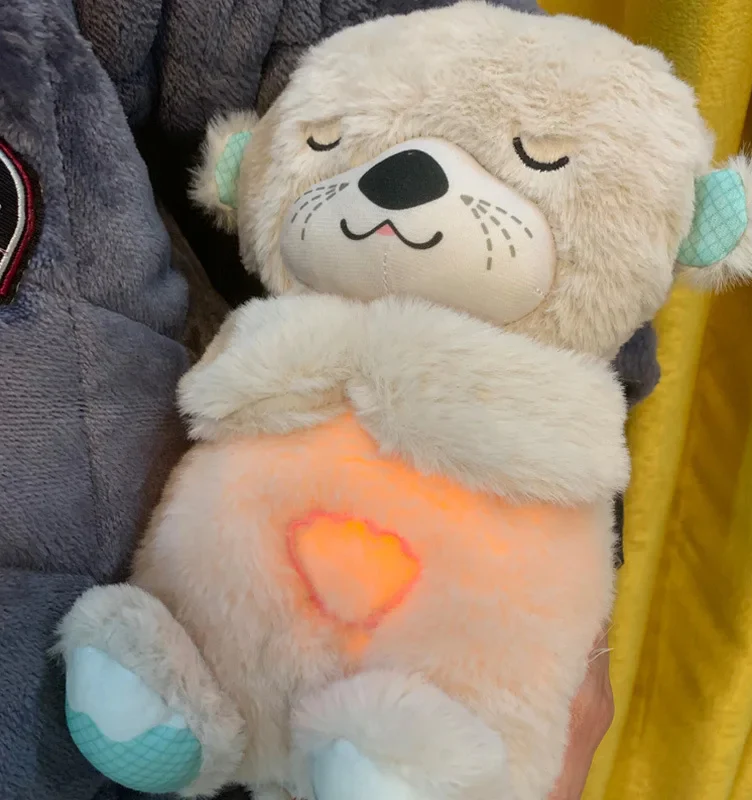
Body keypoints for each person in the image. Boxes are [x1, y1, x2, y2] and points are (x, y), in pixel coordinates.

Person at [0, 0, 657, 797]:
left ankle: (402, 761)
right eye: (324, 147)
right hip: (184, 655)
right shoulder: (287, 328)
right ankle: (183, 708)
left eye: (537, 157)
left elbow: (446, 57)